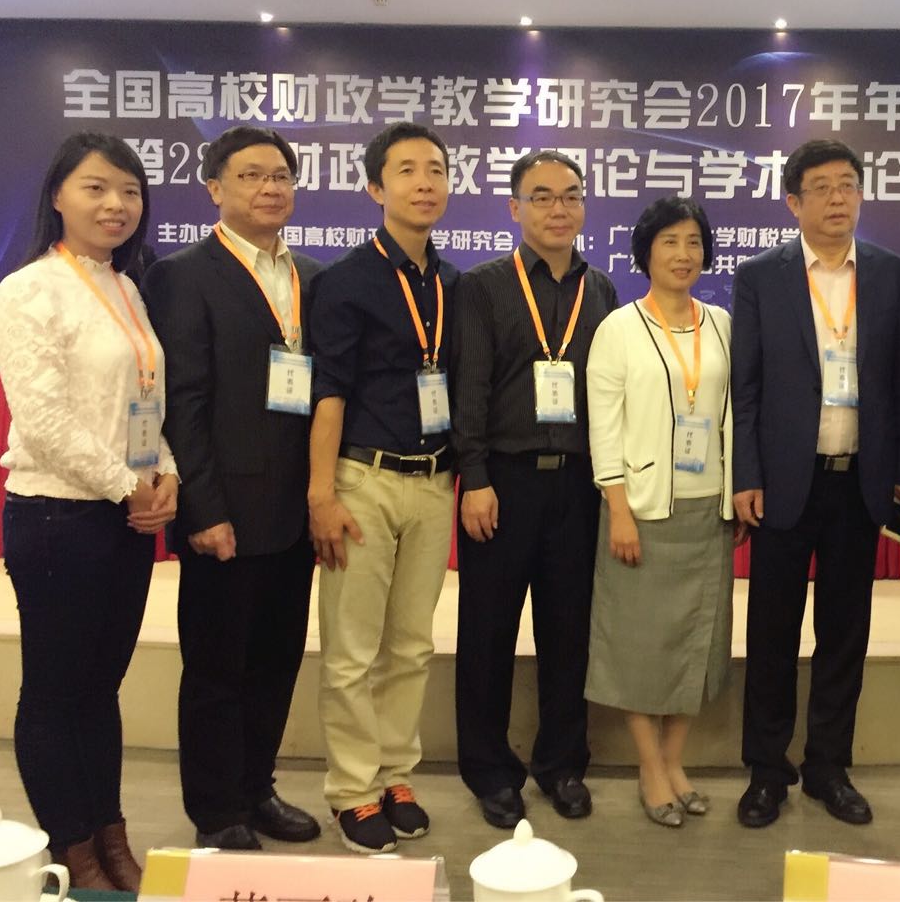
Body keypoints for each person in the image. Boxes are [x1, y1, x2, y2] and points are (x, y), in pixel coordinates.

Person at [0, 132, 179, 892]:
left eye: (129, 191)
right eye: (96, 188)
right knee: (54, 691)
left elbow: (142, 402)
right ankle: (71, 846)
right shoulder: (29, 289)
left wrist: (164, 473)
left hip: (122, 519)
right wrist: (127, 485)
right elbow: (43, 421)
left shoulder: (127, 287)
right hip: (56, 518)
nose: (115, 204)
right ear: (58, 197)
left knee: (100, 690)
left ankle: (111, 833)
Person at [731, 138, 900, 828]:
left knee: (844, 633)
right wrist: (746, 474)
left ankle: (828, 768)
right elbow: (745, 387)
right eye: (821, 187)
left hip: (859, 483)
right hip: (785, 481)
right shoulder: (761, 276)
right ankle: (766, 772)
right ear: (793, 202)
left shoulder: (891, 274)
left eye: (848, 184)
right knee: (772, 635)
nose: (838, 198)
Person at [143, 125, 322, 850]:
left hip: (294, 511)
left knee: (277, 662)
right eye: (251, 176)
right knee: (217, 669)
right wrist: (202, 510)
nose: (269, 188)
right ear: (214, 187)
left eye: (280, 175)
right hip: (225, 513)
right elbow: (182, 403)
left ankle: (258, 788)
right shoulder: (183, 275)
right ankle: (217, 810)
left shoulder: (312, 275)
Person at [452, 150, 618, 828]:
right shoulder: (483, 286)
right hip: (504, 482)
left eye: (570, 195)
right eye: (542, 196)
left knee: (568, 632)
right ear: (514, 208)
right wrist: (475, 478)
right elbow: (470, 388)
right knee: (487, 633)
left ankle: (561, 764)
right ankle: (490, 771)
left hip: (576, 486)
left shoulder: (601, 289)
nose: (558, 209)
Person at [306, 122, 459, 854]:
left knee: (411, 647)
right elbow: (328, 394)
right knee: (351, 650)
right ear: (375, 187)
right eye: (406, 170)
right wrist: (322, 496)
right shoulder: (346, 281)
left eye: (436, 170)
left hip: (433, 483)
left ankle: (396, 775)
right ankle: (351, 789)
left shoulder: (452, 283)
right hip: (361, 481)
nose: (424, 183)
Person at [584, 197, 736, 829]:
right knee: (640, 647)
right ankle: (649, 768)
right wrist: (617, 507)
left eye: (693, 241)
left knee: (696, 645)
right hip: (643, 511)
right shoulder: (618, 328)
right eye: (669, 241)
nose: (683, 254)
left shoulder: (723, 323)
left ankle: (675, 762)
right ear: (645, 251)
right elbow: (604, 427)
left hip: (709, 510)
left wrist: (739, 494)